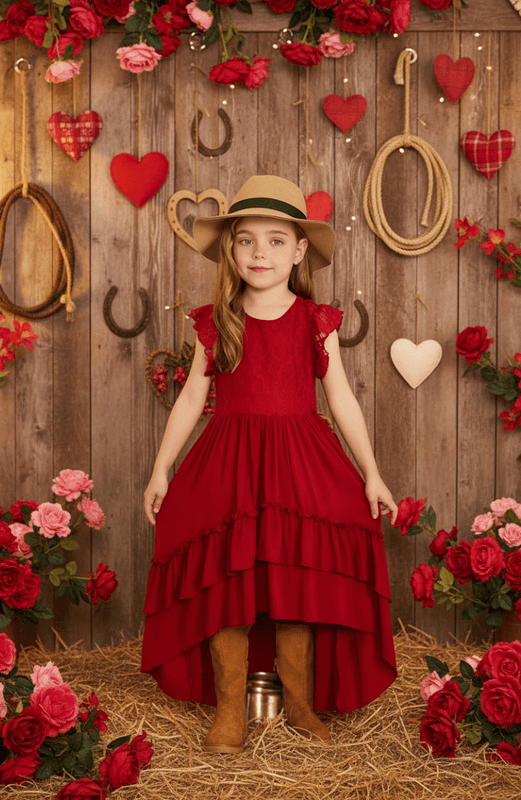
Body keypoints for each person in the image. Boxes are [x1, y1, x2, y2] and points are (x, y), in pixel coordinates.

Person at [141, 175, 398, 755]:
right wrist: (161, 471)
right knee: (228, 581)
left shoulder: (316, 321)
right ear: (231, 249)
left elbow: (341, 399)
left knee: (296, 581)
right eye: (247, 240)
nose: (261, 252)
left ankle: (300, 702)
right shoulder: (216, 321)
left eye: (277, 240)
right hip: (229, 461)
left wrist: (372, 473)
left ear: (301, 250)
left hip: (299, 461)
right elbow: (189, 400)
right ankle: (230, 711)